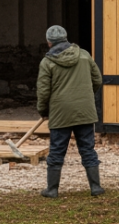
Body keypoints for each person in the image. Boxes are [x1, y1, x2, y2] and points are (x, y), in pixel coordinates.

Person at [36, 25, 104, 198]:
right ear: (66, 38)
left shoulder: (47, 62)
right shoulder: (84, 55)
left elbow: (43, 91)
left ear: (49, 42)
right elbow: (97, 79)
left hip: (60, 112)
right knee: (87, 149)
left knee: (57, 150)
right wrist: (85, 97)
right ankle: (96, 188)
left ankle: (52, 190)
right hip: (85, 111)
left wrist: (43, 110)